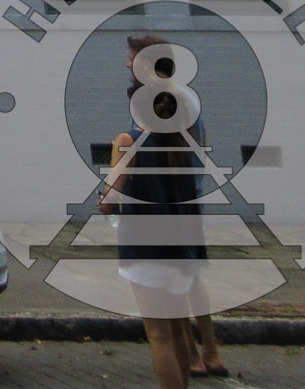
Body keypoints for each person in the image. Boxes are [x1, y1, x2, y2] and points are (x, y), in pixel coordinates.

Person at [102, 33, 208, 389]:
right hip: (181, 234)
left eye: (132, 58)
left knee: (158, 334)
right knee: (178, 328)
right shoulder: (184, 127)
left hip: (143, 239)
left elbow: (108, 201)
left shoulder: (127, 141)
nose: (127, 64)